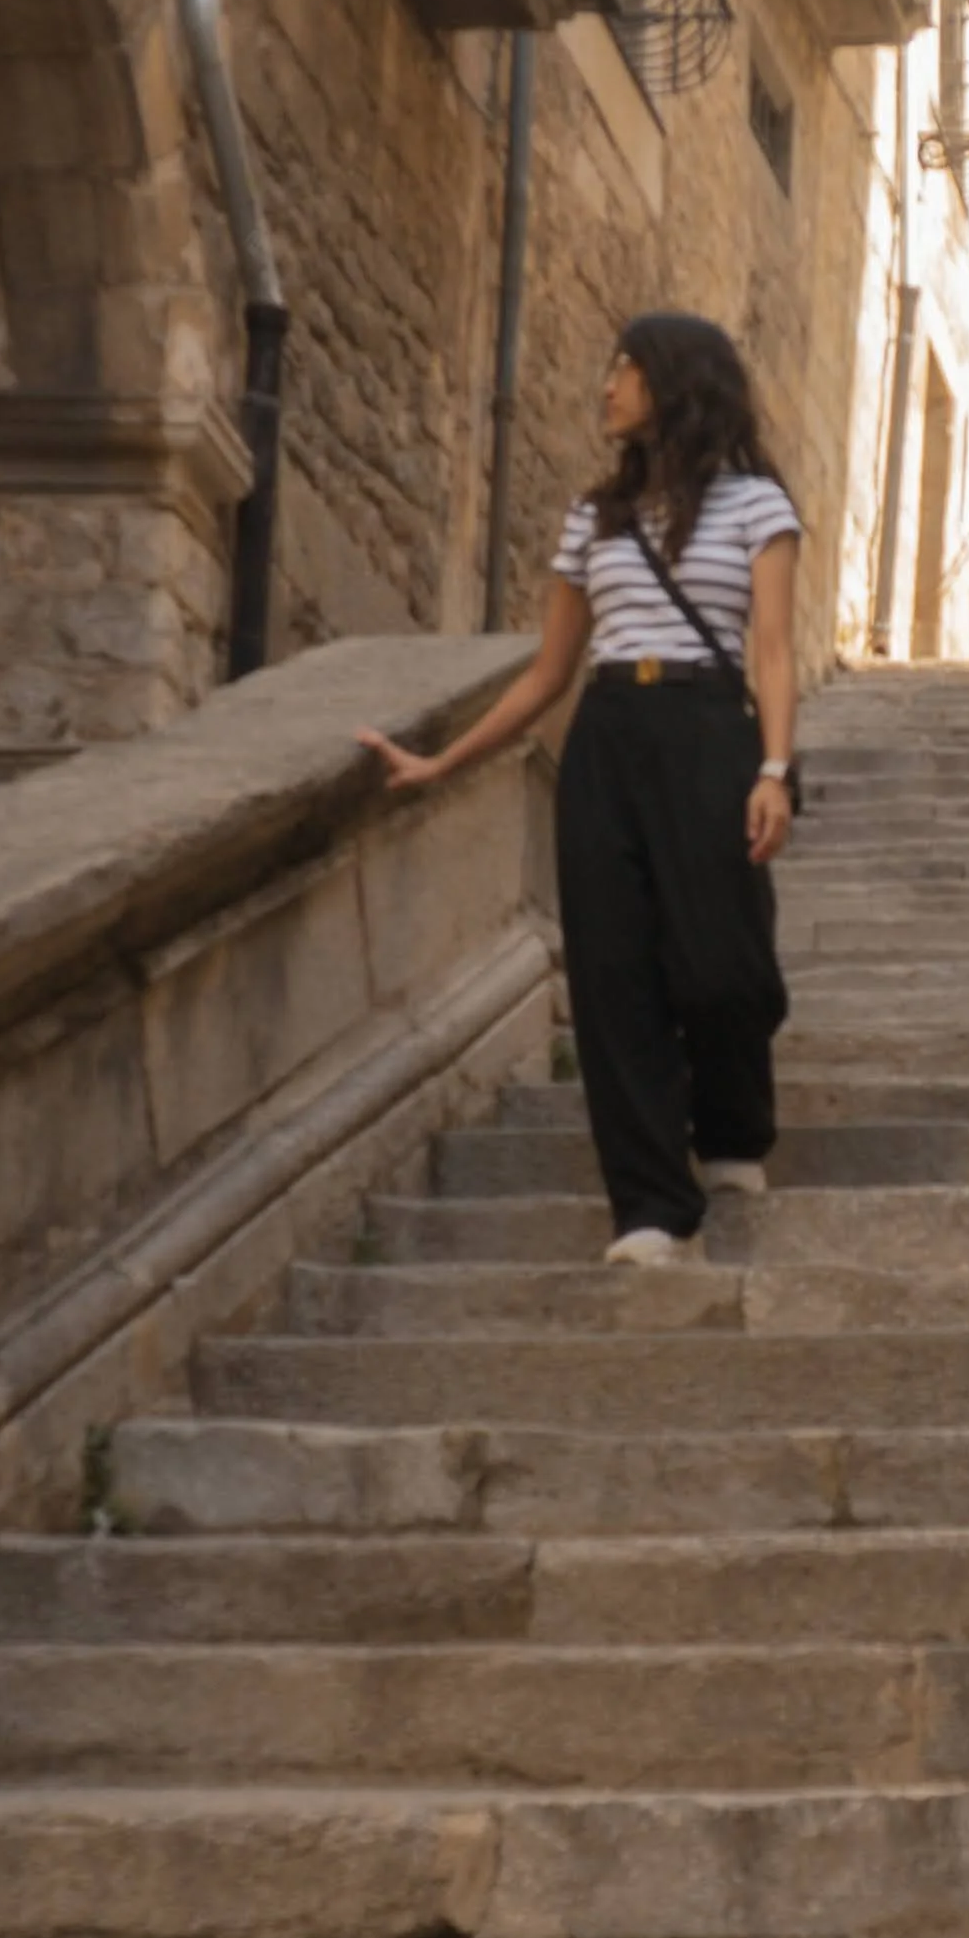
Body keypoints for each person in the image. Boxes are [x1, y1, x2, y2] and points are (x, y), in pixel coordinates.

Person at [362, 313, 801, 1267]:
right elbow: (544, 674)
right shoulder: (589, 520)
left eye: (625, 369)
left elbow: (771, 650)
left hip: (710, 734)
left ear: (675, 384)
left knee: (723, 969)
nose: (605, 386)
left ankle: (731, 1125)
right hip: (607, 738)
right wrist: (442, 761)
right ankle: (649, 1207)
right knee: (612, 975)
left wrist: (774, 769)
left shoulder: (759, 507)